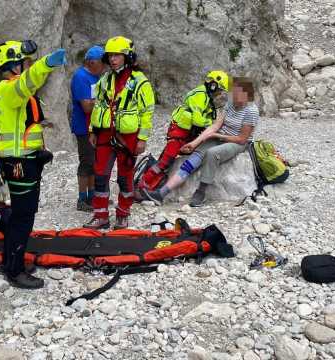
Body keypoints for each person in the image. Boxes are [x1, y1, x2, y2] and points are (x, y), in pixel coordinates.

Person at [0, 39, 66, 289]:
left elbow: (22, 127)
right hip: (19, 163)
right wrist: (47, 64)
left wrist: (38, 152)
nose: (27, 66)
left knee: (20, 215)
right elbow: (28, 82)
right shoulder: (10, 89)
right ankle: (15, 270)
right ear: (15, 66)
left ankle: (10, 261)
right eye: (25, 63)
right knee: (23, 217)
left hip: (20, 159)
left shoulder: (4, 91)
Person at [143, 76, 258, 207]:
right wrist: (195, 143)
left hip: (237, 142)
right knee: (193, 159)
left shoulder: (251, 111)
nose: (233, 97)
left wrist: (217, 135)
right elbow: (215, 126)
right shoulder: (230, 105)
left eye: (237, 94)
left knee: (212, 154)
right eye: (233, 94)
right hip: (220, 136)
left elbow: (242, 139)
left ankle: (201, 192)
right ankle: (161, 193)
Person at [83, 36, 156, 230]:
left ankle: (123, 215)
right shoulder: (105, 79)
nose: (113, 59)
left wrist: (142, 138)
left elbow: (147, 112)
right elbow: (97, 105)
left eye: (118, 55)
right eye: (111, 56)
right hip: (105, 134)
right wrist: (92, 130)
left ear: (127, 56)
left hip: (128, 137)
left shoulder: (140, 82)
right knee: (100, 175)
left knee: (125, 177)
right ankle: (101, 216)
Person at [137, 70, 230, 194]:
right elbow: (197, 120)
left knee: (169, 160)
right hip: (179, 132)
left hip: (187, 133)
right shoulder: (200, 95)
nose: (219, 94)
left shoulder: (207, 97)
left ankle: (151, 184)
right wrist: (212, 124)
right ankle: (142, 185)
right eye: (219, 90)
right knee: (166, 161)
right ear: (213, 86)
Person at [70, 45, 107, 211]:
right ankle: (82, 199)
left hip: (95, 127)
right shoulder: (81, 77)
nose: (105, 66)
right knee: (86, 162)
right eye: (102, 63)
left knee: (94, 162)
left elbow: (93, 102)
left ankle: (92, 196)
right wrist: (103, 102)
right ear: (92, 62)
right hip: (84, 128)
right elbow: (86, 106)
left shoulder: (97, 77)